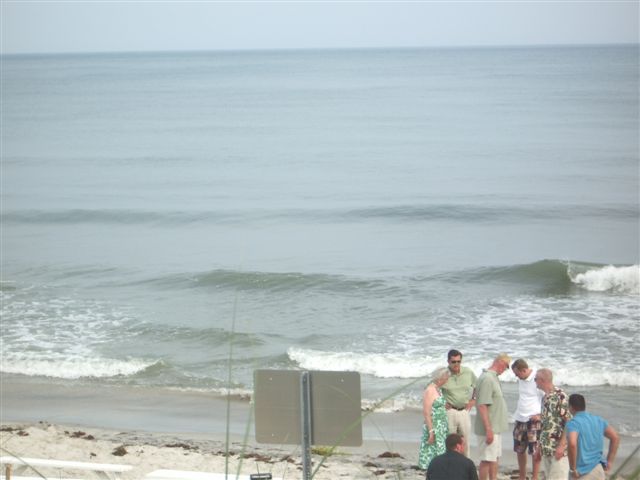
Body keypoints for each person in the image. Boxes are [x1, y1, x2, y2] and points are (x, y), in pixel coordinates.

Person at [474, 353, 511, 480]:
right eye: (506, 366)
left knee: (494, 457)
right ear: (500, 362)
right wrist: (488, 429)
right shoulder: (487, 379)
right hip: (489, 427)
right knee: (486, 459)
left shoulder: (493, 377)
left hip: (496, 427)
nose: (505, 369)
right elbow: (482, 405)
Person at [566, 393, 619, 480]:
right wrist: (609, 462)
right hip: (598, 469)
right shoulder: (598, 420)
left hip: (582, 473)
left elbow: (572, 444)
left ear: (571, 407)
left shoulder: (573, 423)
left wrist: (572, 469)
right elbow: (615, 437)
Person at [533, 368, 572, 480]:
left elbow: (569, 421)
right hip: (546, 449)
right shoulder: (545, 397)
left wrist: (562, 445)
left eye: (535, 379)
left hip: (558, 450)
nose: (534, 381)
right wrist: (539, 447)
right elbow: (545, 424)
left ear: (542, 380)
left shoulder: (561, 396)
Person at [511, 358, 544, 480]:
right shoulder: (521, 379)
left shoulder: (537, 378)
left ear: (524, 370)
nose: (516, 376)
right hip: (520, 418)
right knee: (519, 450)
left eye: (517, 374)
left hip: (533, 420)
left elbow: (547, 397)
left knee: (535, 451)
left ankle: (535, 477)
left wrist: (541, 415)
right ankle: (522, 476)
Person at [441, 349, 477, 457]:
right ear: (448, 361)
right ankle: (449, 463)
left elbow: (478, 386)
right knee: (449, 442)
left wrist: (473, 399)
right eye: (453, 362)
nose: (456, 364)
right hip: (449, 411)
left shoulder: (468, 372)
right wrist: (442, 402)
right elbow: (431, 389)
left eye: (458, 361)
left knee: (465, 442)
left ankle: (466, 463)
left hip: (464, 411)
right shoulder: (443, 374)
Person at [418, 367, 450, 471]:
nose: (447, 380)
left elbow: (438, 405)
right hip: (434, 426)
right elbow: (426, 413)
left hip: (442, 426)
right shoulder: (430, 390)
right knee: (432, 450)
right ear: (440, 377)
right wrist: (431, 431)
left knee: (441, 450)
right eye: (446, 378)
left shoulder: (438, 389)